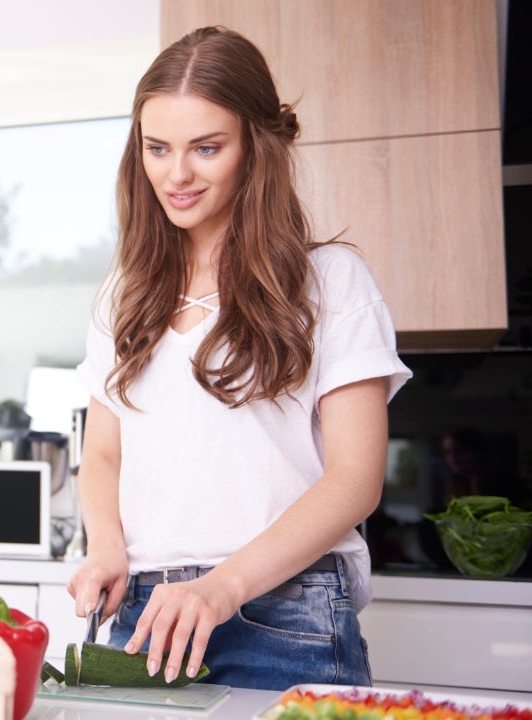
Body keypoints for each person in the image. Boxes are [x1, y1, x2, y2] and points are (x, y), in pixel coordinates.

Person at [68, 26, 412, 691]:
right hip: (144, 616)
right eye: (157, 148)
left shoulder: (330, 281)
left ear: (256, 148)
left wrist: (223, 587)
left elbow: (354, 478)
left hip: (286, 614)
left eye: (207, 148)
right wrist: (106, 550)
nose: (177, 174)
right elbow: (104, 455)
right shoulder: (124, 293)